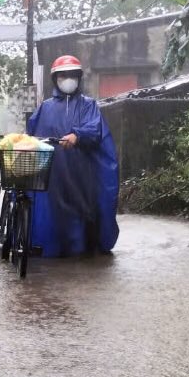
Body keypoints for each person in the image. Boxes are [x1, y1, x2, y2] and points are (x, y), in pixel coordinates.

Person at [26, 55, 119, 257]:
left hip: (81, 170)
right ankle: (52, 249)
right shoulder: (46, 107)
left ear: (78, 78)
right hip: (53, 170)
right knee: (53, 211)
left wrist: (78, 135)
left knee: (80, 210)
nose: (67, 79)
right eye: (63, 75)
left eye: (72, 75)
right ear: (56, 79)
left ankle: (79, 252)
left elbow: (95, 129)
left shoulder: (88, 105)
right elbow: (32, 132)